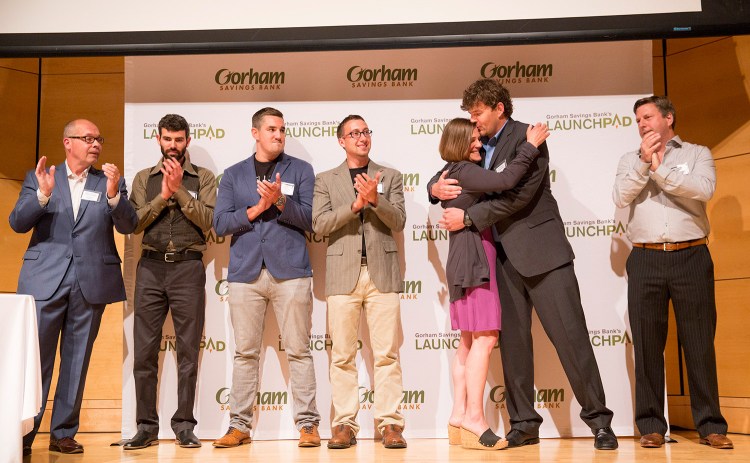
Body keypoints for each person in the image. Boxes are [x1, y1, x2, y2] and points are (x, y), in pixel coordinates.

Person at [428, 78, 617, 450]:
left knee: (571, 338)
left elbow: (518, 197)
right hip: (497, 261)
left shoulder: (530, 138)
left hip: (544, 255)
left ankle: (599, 421)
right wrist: (433, 188)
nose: (473, 120)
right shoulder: (475, 143)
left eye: (478, 112)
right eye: (469, 114)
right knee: (513, 347)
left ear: (499, 108)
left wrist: (467, 218)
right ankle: (524, 423)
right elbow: (452, 167)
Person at [10, 119, 137, 455]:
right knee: (36, 362)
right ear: (68, 143)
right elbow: (17, 223)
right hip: (45, 282)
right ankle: (23, 432)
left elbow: (128, 225)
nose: (95, 143)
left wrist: (113, 197)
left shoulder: (109, 181)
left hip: (90, 282)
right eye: (87, 138)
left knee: (76, 360)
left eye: (98, 138)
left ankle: (63, 431)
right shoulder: (40, 178)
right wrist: (42, 195)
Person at [613, 96, 732, 450]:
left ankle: (710, 425)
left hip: (691, 255)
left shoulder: (697, 154)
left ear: (668, 118)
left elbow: (703, 190)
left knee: (698, 342)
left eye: (648, 117)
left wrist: (659, 170)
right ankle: (650, 424)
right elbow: (621, 197)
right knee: (648, 344)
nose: (642, 124)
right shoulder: (627, 160)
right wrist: (642, 164)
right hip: (646, 257)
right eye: (637, 120)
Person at [213, 107, 321, 448]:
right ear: (255, 133)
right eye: (272, 129)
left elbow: (312, 219)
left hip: (290, 272)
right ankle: (239, 425)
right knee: (245, 353)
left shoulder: (301, 170)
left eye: (282, 129)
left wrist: (280, 202)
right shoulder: (232, 175)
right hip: (245, 273)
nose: (278, 134)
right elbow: (220, 224)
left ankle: (308, 425)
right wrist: (258, 209)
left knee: (299, 350)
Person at [437, 118, 545, 450]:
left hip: (461, 259)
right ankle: (474, 418)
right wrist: (530, 146)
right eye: (472, 139)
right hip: (475, 260)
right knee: (484, 339)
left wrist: (432, 187)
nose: (479, 143)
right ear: (458, 142)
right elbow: (506, 179)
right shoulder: (466, 172)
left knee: (468, 343)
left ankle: (457, 417)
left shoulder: (451, 172)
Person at [312, 115, 407, 450]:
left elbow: (399, 220)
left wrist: (376, 200)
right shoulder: (325, 180)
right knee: (342, 356)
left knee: (386, 354)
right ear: (341, 141)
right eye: (354, 133)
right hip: (342, 275)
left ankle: (391, 424)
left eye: (366, 131)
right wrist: (355, 205)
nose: (362, 138)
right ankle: (344, 425)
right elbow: (320, 224)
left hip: (382, 272)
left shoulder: (390, 176)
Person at [123, 114, 216, 450]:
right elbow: (133, 224)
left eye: (179, 140)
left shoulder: (203, 177)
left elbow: (209, 221)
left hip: (189, 268)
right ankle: (146, 426)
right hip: (149, 268)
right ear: (158, 140)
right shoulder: (142, 178)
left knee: (188, 353)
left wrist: (180, 192)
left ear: (187, 141)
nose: (173, 146)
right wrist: (163, 195)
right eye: (167, 139)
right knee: (144, 353)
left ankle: (185, 425)